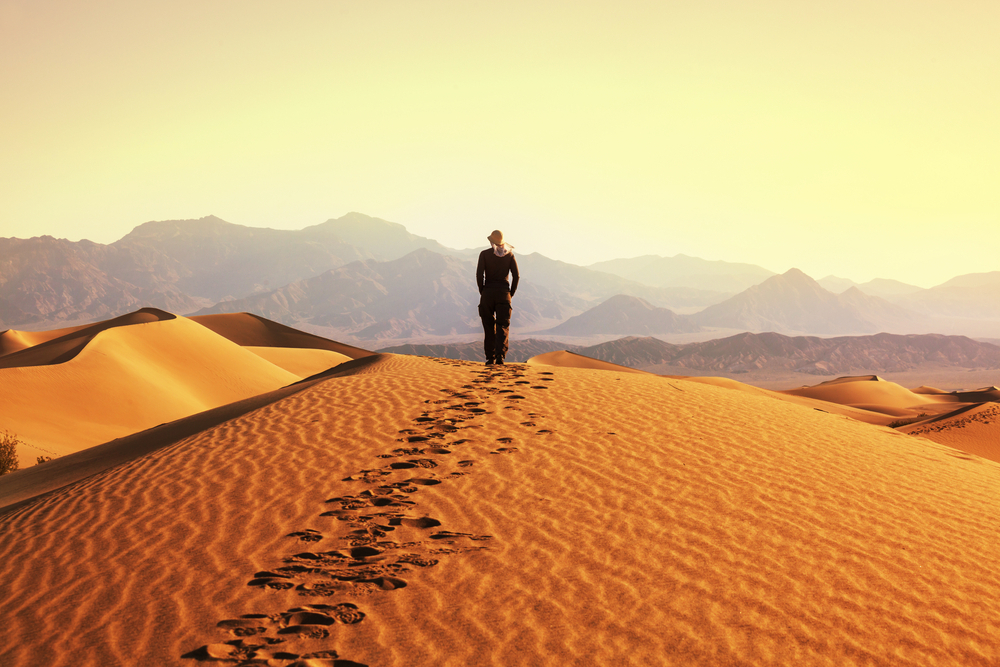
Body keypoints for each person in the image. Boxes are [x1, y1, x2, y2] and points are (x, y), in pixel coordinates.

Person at [476, 229, 519, 365]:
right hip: (504, 294)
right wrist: (510, 293)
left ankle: (490, 358)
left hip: (488, 293)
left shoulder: (484, 254)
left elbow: (479, 275)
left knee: (488, 326)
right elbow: (516, 276)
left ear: (491, 242)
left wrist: (483, 291)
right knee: (503, 326)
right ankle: (500, 357)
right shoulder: (509, 255)